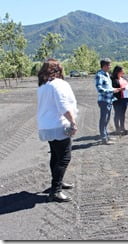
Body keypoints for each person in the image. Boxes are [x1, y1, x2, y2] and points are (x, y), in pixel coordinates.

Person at [37, 58, 78, 202]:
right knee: (64, 157)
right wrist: (73, 122)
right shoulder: (58, 84)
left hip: (46, 126)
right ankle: (55, 190)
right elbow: (63, 105)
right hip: (58, 125)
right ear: (59, 70)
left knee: (55, 155)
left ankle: (57, 183)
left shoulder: (43, 85)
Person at [95, 58, 121, 145]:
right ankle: (104, 138)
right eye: (109, 65)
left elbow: (108, 88)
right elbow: (100, 89)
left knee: (107, 119)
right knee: (104, 119)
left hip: (109, 100)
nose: (110, 66)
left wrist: (115, 89)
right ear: (105, 66)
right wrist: (111, 91)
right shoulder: (100, 75)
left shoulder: (107, 74)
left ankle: (106, 136)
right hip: (104, 101)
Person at [111, 65, 128, 136]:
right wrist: (121, 89)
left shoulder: (123, 79)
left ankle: (122, 127)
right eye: (122, 71)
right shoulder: (113, 80)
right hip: (117, 99)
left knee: (123, 114)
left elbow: (127, 87)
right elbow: (113, 90)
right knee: (117, 114)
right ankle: (117, 129)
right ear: (118, 71)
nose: (124, 72)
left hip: (125, 99)